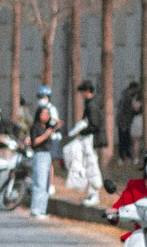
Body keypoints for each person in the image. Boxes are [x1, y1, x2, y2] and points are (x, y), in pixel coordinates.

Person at [64, 80, 106, 205]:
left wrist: (81, 131)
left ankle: (94, 194)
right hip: (90, 140)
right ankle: (91, 193)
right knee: (89, 166)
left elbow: (94, 125)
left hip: (91, 140)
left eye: (82, 92)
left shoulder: (92, 105)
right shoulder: (92, 104)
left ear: (87, 92)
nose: (81, 95)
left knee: (92, 166)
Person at [28, 85, 60, 218]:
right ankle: (36, 209)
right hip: (39, 154)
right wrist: (46, 135)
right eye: (43, 113)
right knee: (39, 183)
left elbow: (59, 124)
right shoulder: (36, 127)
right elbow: (35, 141)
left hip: (46, 154)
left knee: (45, 183)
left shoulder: (48, 124)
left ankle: (42, 210)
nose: (45, 116)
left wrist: (53, 124)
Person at [115, 82, 142, 165]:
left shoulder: (126, 96)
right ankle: (122, 157)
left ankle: (125, 157)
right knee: (123, 141)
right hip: (124, 122)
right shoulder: (127, 97)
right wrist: (124, 124)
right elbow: (123, 112)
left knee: (125, 141)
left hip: (125, 122)